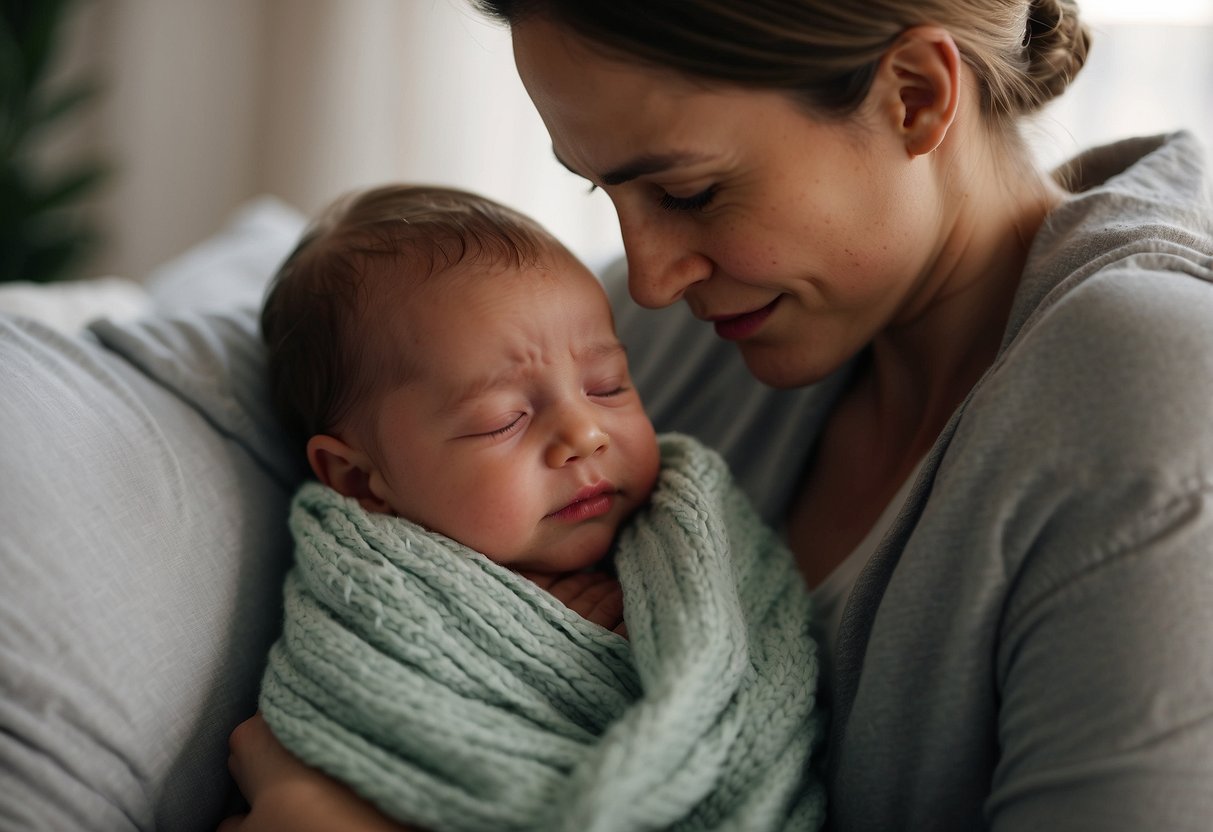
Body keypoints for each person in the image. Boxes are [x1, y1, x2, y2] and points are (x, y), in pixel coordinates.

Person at [223, 1, 1213, 829]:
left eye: (689, 192)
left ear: (914, 96)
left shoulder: (1149, 395)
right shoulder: (712, 334)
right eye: (605, 190)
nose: (649, 280)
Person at [240, 183, 824, 832]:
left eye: (607, 386)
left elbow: (739, 671)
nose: (584, 434)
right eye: (503, 421)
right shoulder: (374, 608)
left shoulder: (678, 530)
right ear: (359, 479)